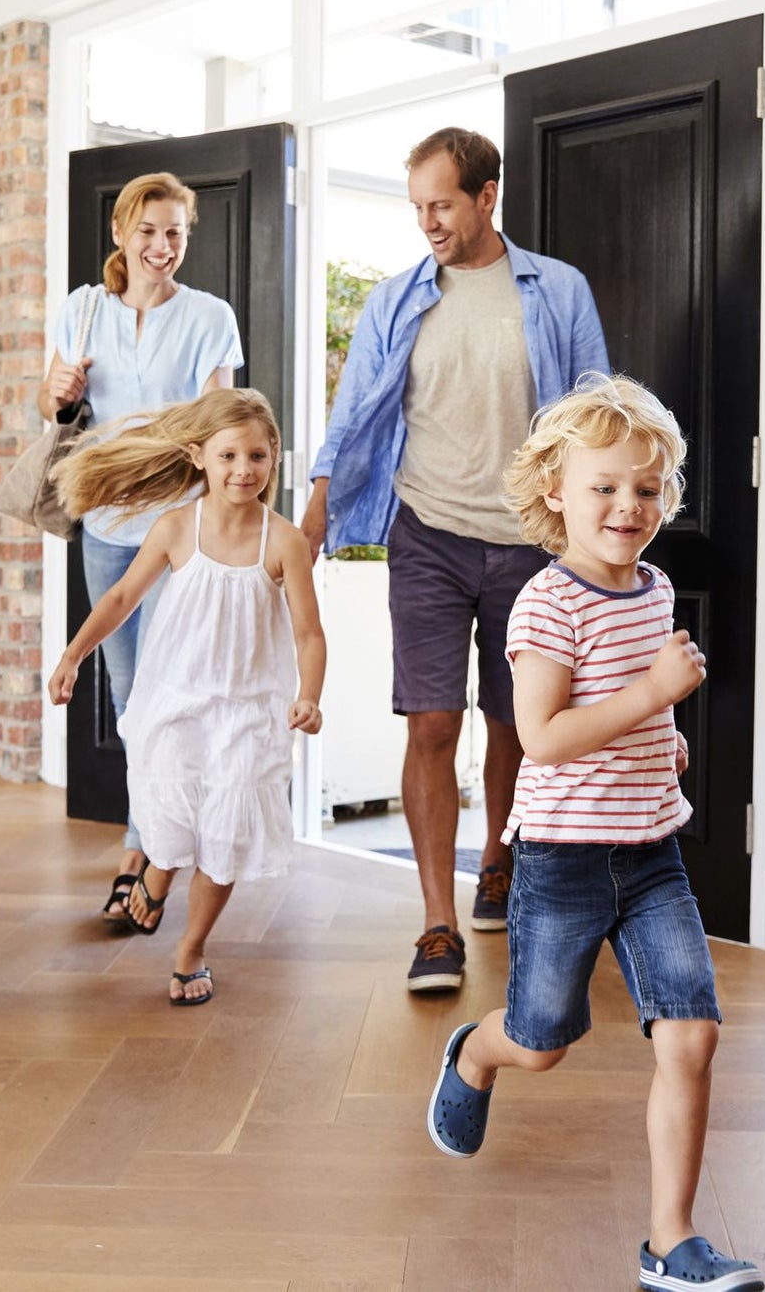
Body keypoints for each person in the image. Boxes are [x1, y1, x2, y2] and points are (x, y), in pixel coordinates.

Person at [425, 376, 763, 1292]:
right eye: (604, 486)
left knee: (690, 1035)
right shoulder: (546, 604)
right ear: (555, 494)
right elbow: (542, 736)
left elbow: (618, 710)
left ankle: (670, 1241)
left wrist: (665, 738)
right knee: (542, 1039)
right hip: (563, 862)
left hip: (652, 856)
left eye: (646, 489)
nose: (628, 506)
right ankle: (475, 1051)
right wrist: (652, 696)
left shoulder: (653, 587)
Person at [301, 127, 610, 993]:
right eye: (416, 207)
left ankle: (499, 859)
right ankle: (436, 923)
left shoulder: (556, 290)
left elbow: (593, 412)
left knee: (516, 723)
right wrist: (316, 509)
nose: (427, 222)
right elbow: (354, 410)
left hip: (529, 543)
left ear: (486, 195)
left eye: (441, 204)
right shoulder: (396, 299)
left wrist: (598, 528)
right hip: (428, 532)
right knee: (432, 722)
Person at [47, 388, 325, 1003]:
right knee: (170, 812)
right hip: (175, 699)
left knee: (224, 838)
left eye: (257, 456)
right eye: (228, 456)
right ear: (199, 457)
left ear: (274, 456)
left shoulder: (284, 543)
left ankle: (190, 950)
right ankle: (156, 873)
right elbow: (120, 598)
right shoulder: (176, 528)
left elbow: (309, 632)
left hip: (250, 710)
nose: (243, 470)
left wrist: (309, 695)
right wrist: (73, 654)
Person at [37, 172, 243, 930]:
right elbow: (49, 406)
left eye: (176, 233)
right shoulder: (80, 309)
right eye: (150, 231)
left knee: (171, 692)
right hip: (103, 525)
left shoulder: (209, 316)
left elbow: (221, 422)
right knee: (130, 701)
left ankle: (143, 851)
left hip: (175, 530)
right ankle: (151, 836)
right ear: (122, 231)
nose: (163, 247)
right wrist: (57, 388)